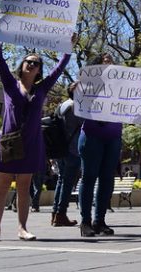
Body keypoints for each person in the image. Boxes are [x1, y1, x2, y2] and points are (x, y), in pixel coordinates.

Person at [0, 21, 72, 242]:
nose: (32, 65)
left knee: (24, 188)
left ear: (38, 70)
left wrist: (68, 49)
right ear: (22, 65)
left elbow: (59, 70)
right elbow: (0, 60)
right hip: (8, 142)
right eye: (29, 62)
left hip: (31, 143)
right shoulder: (10, 84)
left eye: (36, 64)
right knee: (2, 186)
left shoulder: (42, 88)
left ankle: (22, 228)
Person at [79, 52, 123, 237]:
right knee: (89, 178)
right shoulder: (88, 83)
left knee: (107, 180)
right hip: (92, 134)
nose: (109, 64)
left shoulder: (122, 86)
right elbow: (76, 97)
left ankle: (100, 221)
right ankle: (85, 222)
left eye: (111, 62)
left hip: (113, 136)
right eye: (105, 62)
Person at [51, 82, 83, 226]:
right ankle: (61, 214)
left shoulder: (62, 105)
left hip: (60, 149)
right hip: (72, 149)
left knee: (61, 181)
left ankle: (55, 214)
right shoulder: (76, 107)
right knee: (68, 183)